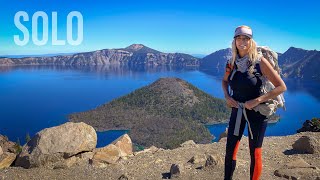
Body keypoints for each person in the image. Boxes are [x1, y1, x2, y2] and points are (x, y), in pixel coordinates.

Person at [222, 25, 287, 180]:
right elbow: (224, 81)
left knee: (255, 151)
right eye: (239, 38)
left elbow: (281, 87)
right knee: (230, 148)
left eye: (246, 38)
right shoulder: (231, 63)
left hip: (257, 112)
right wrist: (227, 96)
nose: (242, 41)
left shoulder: (260, 62)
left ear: (251, 41)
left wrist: (257, 100)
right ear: (235, 41)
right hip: (237, 110)